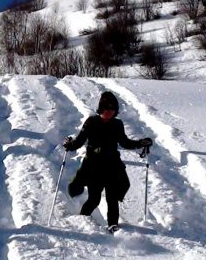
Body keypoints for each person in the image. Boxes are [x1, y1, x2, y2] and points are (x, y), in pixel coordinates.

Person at [63, 91, 153, 233]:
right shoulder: (91, 122)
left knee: (112, 198)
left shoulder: (117, 124)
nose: (109, 112)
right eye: (106, 109)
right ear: (101, 109)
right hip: (94, 167)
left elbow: (125, 142)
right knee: (94, 199)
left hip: (112, 166)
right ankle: (82, 220)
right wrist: (70, 144)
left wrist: (140, 143)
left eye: (112, 109)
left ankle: (113, 225)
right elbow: (79, 141)